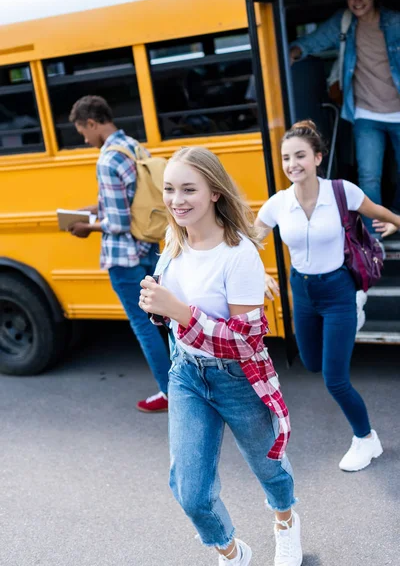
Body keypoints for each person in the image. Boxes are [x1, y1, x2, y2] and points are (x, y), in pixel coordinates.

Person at [139, 146, 302, 566]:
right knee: (190, 491)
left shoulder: (240, 254)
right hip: (187, 375)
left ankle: (285, 522)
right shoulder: (172, 244)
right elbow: (171, 316)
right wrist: (158, 308)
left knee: (270, 469)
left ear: (214, 192)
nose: (177, 200)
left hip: (238, 379)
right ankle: (231, 551)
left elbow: (245, 342)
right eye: (170, 189)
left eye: (189, 189)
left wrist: (178, 311)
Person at [256, 120, 400, 472]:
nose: (293, 164)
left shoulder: (341, 192)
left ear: (318, 157)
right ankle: (353, 315)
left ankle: (366, 439)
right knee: (310, 362)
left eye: (301, 156)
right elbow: (246, 243)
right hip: (302, 290)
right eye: (287, 157)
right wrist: (259, 273)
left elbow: (381, 214)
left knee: (335, 378)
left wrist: (395, 222)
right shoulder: (277, 204)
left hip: (337, 290)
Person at [67, 95, 170, 413]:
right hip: (149, 246)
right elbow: (132, 197)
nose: (85, 139)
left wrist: (88, 228)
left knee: (144, 325)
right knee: (167, 320)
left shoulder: (106, 159)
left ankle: (170, 393)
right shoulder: (134, 146)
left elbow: (119, 221)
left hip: (124, 258)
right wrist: (93, 208)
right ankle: (187, 385)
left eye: (83, 131)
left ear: (92, 123)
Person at [290, 0, 400, 233]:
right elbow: (315, 40)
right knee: (369, 177)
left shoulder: (394, 22)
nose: (357, 0)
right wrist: (293, 53)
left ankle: (395, 218)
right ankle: (373, 237)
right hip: (365, 114)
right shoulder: (345, 22)